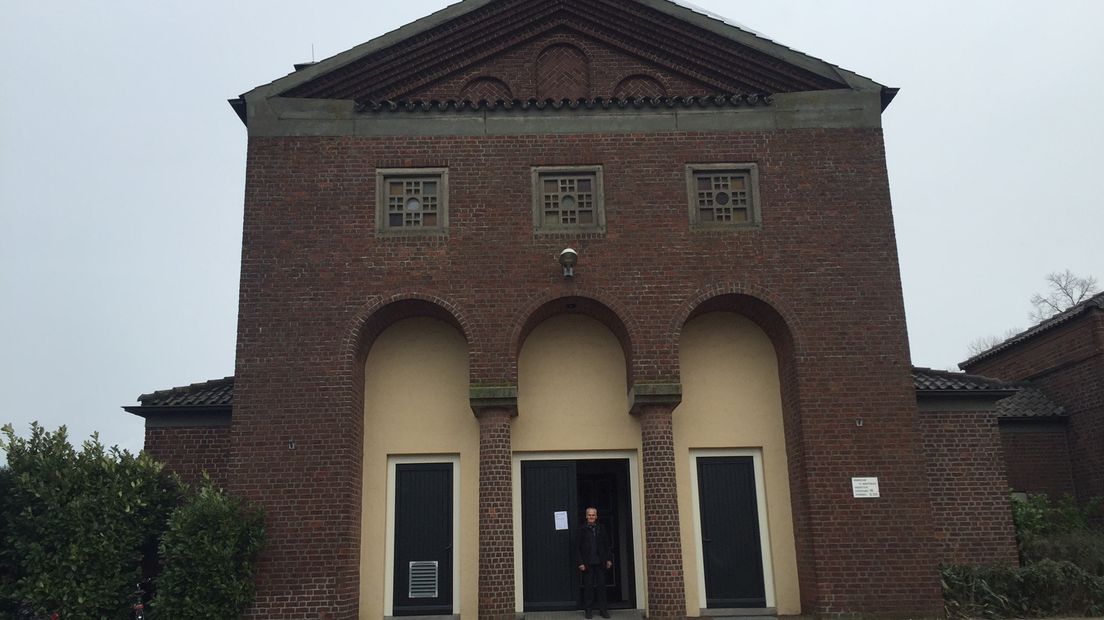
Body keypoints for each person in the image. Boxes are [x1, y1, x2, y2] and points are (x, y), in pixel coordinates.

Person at [576, 506, 613, 619]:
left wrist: (609, 559)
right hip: (587, 563)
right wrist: (580, 562)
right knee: (588, 587)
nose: (591, 517)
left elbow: (607, 545)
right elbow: (577, 547)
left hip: (600, 562)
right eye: (589, 515)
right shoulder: (581, 529)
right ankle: (588, 610)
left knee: (602, 587)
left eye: (593, 515)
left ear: (596, 516)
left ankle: (603, 610)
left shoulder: (601, 528)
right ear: (586, 516)